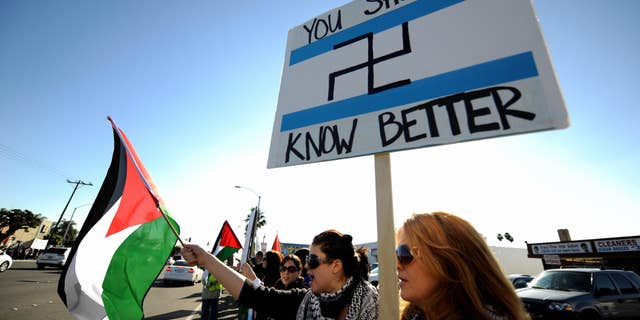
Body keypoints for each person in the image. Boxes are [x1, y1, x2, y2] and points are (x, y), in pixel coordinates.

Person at [181, 229, 378, 319]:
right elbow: (256, 295)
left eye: (313, 261)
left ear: (336, 266)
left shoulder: (378, 306)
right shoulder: (306, 300)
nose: (308, 268)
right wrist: (206, 259)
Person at [396, 212, 529, 320]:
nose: (397, 264)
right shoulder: (415, 316)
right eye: (396, 254)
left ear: (449, 261)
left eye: (404, 254)